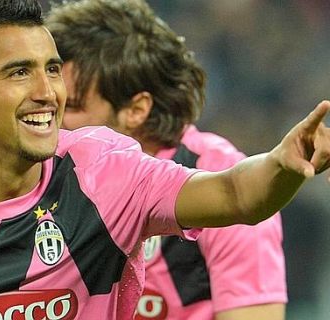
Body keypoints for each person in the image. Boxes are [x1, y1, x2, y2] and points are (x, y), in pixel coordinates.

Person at [0, 1, 329, 319]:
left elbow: (236, 193)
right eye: (20, 73)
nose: (48, 94)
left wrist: (282, 164)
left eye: (52, 71)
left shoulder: (104, 171)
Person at [45, 0, 286, 319]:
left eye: (72, 107)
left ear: (136, 109)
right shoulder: (41, 171)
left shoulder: (221, 179)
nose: (54, 120)